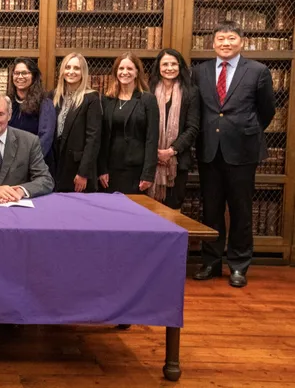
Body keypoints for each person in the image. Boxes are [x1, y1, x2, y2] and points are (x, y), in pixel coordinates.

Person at [192, 21, 275, 288]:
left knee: (241, 210)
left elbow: (267, 111)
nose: (225, 43)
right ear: (212, 43)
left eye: (230, 38)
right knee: (211, 210)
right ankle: (211, 262)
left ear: (242, 41)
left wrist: (243, 130)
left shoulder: (258, 71)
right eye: (220, 39)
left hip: (243, 151)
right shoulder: (200, 71)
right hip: (209, 150)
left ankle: (239, 265)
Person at [99, 52, 159, 194]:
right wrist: (101, 169)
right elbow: (101, 137)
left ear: (137, 72)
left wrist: (148, 174)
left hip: (136, 170)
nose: (125, 72)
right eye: (121, 69)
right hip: (110, 170)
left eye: (130, 69)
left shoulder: (148, 100)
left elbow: (152, 139)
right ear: (115, 72)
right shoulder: (107, 100)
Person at [147, 49, 199, 209]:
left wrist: (170, 151)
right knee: (147, 210)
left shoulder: (191, 92)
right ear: (158, 67)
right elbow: (141, 124)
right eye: (165, 64)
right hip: (148, 161)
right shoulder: (147, 90)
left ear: (180, 66)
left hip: (177, 162)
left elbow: (192, 128)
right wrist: (153, 151)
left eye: (173, 64)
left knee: (172, 212)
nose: (169, 68)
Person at [49, 53, 102, 193]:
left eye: (76, 68)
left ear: (83, 72)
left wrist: (83, 173)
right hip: (55, 165)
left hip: (77, 169)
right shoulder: (53, 96)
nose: (71, 72)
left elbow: (93, 139)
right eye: (68, 67)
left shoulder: (91, 98)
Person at [7, 57, 55, 167]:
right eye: (16, 73)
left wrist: (28, 163)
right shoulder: (7, 102)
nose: (20, 77)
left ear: (33, 76)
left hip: (35, 164)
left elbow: (45, 138)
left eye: (24, 73)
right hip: (10, 165)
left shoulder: (44, 103)